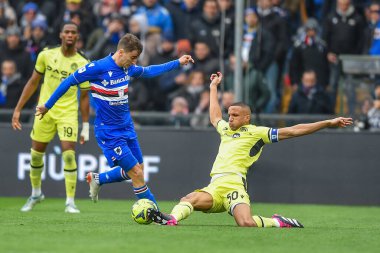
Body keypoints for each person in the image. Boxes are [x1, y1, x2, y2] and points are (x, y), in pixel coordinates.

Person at [149, 72, 353, 227]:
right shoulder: (226, 130)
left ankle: (278, 222)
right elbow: (214, 117)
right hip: (216, 185)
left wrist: (327, 122)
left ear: (247, 118)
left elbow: (293, 131)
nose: (230, 118)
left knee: (245, 223)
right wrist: (213, 87)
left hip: (235, 185)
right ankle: (170, 220)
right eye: (230, 114)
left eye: (235, 115)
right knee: (189, 199)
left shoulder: (257, 132)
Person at [35, 33, 194, 209]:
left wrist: (177, 62)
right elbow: (68, 82)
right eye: (133, 58)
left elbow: (149, 71)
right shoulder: (97, 67)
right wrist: (47, 105)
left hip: (127, 127)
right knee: (136, 173)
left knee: (139, 168)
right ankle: (156, 214)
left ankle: (98, 179)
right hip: (108, 131)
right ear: (121, 52)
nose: (134, 62)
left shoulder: (128, 68)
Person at [11, 22, 90, 213]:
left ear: (77, 37)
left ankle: (70, 201)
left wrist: (86, 126)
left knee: (69, 155)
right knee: (36, 155)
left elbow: (85, 96)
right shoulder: (46, 55)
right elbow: (33, 82)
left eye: (73, 32)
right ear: (61, 35)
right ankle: (36, 193)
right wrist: (18, 109)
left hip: (68, 112)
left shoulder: (83, 64)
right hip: (44, 110)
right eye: (67, 32)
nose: (70, 35)